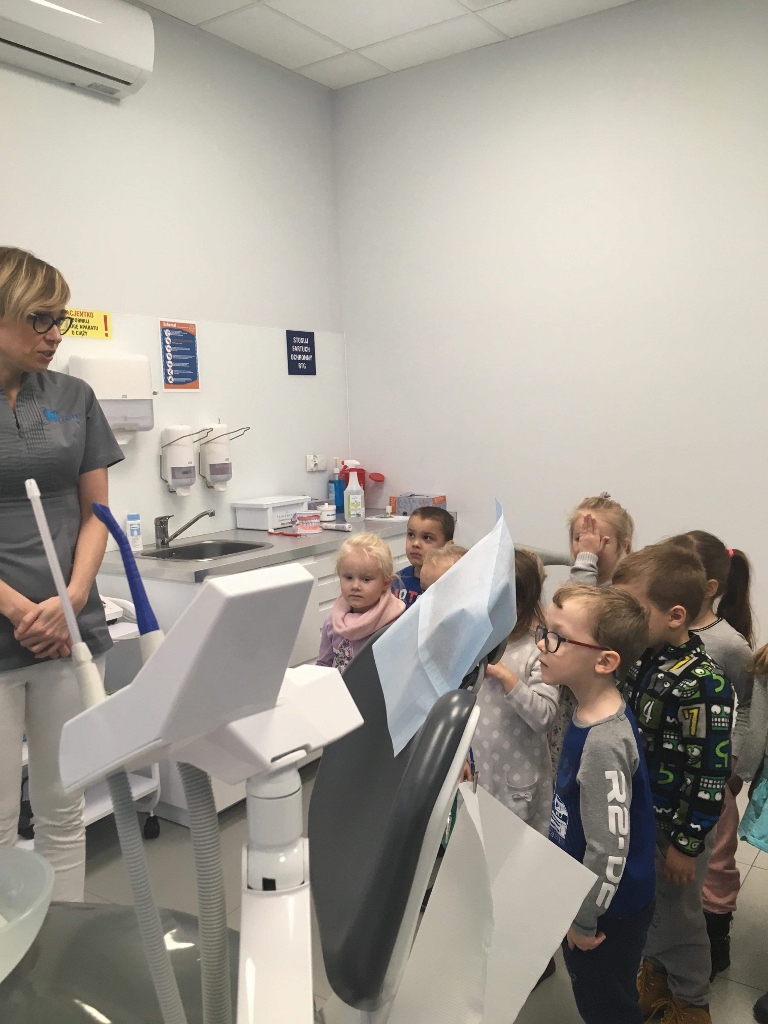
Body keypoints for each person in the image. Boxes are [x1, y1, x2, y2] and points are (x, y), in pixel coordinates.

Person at [0, 246, 124, 901]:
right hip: (11, 629)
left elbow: (96, 511)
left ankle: (62, 942)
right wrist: (20, 610)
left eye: (61, 320)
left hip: (70, 632)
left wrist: (72, 598)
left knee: (62, 806)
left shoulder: (74, 397)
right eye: (39, 318)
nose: (55, 334)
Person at [614, 545, 733, 1024]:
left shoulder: (704, 683)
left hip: (678, 828)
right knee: (654, 911)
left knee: (681, 922)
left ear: (675, 615)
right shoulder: (645, 658)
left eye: (633, 610)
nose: (623, 620)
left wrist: (686, 844)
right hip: (646, 816)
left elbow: (710, 775)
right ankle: (659, 979)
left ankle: (691, 1003)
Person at [544, 583, 655, 1024]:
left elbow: (609, 851)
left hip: (607, 912)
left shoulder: (603, 743)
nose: (542, 645)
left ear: (605, 661)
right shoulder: (585, 709)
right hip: (586, 894)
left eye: (557, 637)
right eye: (544, 631)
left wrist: (583, 919)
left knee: (605, 1004)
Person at [669, 531, 754, 977]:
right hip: (670, 774)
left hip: (713, 776)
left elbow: (751, 708)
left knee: (717, 859)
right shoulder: (665, 628)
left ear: (708, 587)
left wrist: (731, 766)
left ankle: (716, 936)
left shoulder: (729, 644)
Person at [474, 549, 559, 836]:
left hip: (519, 781)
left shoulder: (537, 651)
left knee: (518, 849)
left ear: (519, 604)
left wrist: (507, 677)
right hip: (480, 773)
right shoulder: (479, 641)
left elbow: (544, 717)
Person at [549, 493, 636, 774]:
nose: (586, 547)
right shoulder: (577, 582)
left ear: (624, 546)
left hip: (598, 711)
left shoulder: (623, 596)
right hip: (566, 708)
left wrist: (586, 559)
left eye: (599, 540)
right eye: (579, 538)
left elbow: (582, 604)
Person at [317, 532, 404, 671]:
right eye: (349, 577)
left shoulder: (395, 624)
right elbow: (323, 666)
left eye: (366, 579)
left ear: (386, 583)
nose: (355, 586)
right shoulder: (332, 622)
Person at [392, 506, 454, 607]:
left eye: (427, 537)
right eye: (411, 535)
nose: (415, 543)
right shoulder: (397, 580)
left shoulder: (449, 585)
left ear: (448, 546)